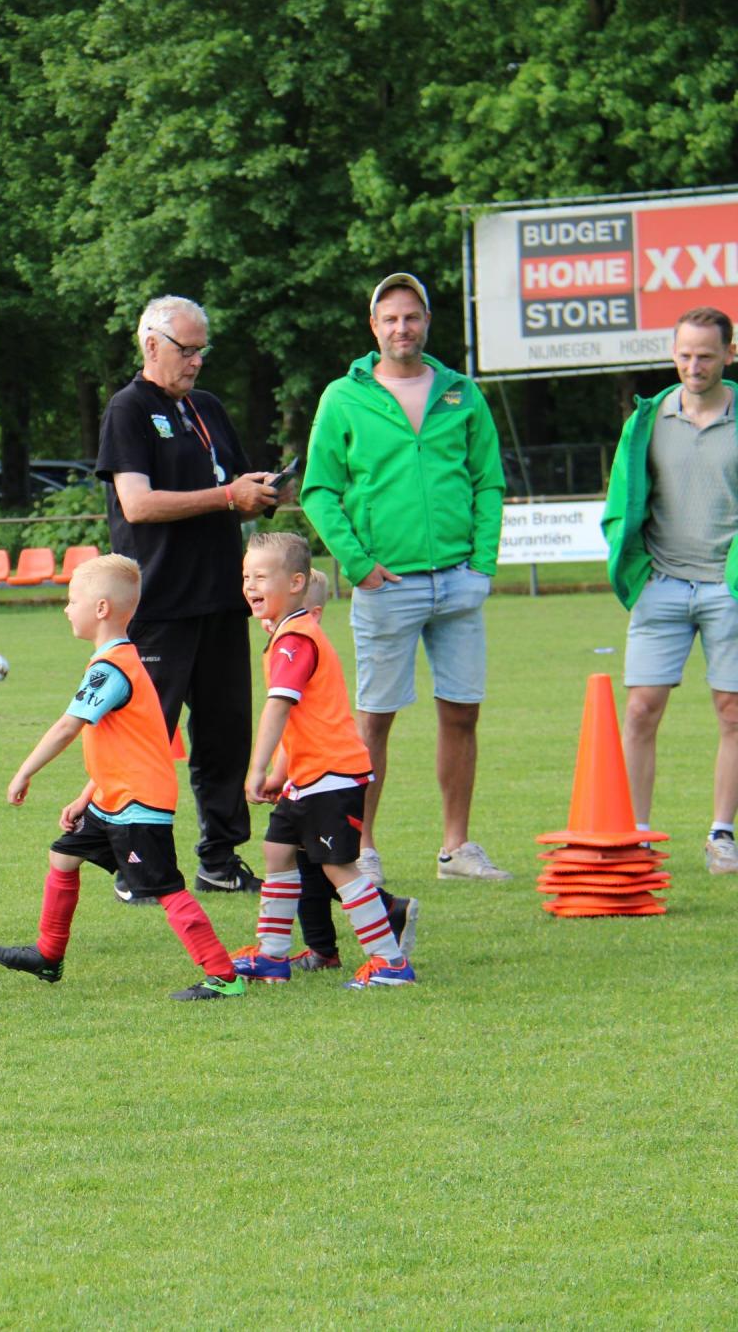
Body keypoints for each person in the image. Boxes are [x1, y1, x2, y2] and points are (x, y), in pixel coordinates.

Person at [302, 272, 510, 884]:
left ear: (427, 322)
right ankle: (361, 848)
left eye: (412, 316)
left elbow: (488, 482)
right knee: (374, 720)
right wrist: (359, 565)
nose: (402, 328)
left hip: (459, 580)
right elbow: (319, 490)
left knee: (462, 714)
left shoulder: (461, 393)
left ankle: (456, 849)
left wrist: (482, 562)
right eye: (390, 318)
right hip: (387, 585)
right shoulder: (344, 396)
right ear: (374, 327)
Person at [0, 555, 245, 1000]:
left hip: (138, 804)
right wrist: (85, 797)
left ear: (101, 608)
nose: (66, 609)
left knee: (166, 888)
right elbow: (123, 746)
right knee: (63, 856)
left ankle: (224, 976)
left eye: (73, 600)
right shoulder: (117, 662)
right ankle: (48, 955)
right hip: (112, 798)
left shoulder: (111, 669)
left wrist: (24, 772)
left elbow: (68, 727)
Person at [96, 295, 279, 895]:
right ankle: (136, 867)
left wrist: (258, 493)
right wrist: (228, 497)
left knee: (225, 739)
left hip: (220, 598)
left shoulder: (208, 408)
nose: (197, 360)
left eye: (203, 349)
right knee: (146, 742)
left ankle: (220, 861)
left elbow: (232, 488)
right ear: (152, 345)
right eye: (187, 349)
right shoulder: (127, 408)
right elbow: (138, 504)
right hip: (158, 604)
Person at [231, 533, 414, 989]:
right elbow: (300, 723)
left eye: (261, 577)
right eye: (246, 576)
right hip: (306, 779)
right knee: (277, 852)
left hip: (332, 776)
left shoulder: (296, 639)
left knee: (338, 867)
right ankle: (272, 955)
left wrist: (256, 768)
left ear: (295, 583)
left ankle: (390, 962)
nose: (250, 585)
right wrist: (280, 774)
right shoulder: (285, 636)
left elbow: (279, 707)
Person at [602, 306, 738, 872]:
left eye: (706, 355)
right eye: (684, 355)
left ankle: (721, 835)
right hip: (662, 584)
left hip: (729, 589)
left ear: (730, 354)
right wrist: (635, 572)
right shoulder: (648, 420)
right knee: (639, 710)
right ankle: (635, 834)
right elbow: (621, 500)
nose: (693, 366)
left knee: (732, 712)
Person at [280, 567, 420, 971]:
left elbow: (302, 721)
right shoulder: (286, 649)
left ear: (313, 613)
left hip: (326, 777)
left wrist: (273, 773)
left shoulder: (305, 650)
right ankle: (324, 949)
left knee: (329, 863)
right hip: (304, 775)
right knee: (303, 859)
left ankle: (385, 930)